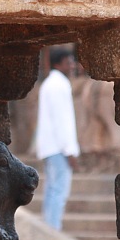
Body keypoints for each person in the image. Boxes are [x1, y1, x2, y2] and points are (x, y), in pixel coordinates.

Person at [36, 46, 81, 230]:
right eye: (68, 62)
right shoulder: (57, 85)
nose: (72, 66)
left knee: (52, 189)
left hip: (52, 147)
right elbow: (62, 121)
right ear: (57, 64)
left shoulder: (52, 83)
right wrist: (69, 151)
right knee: (58, 190)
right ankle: (53, 229)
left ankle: (50, 227)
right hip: (58, 148)